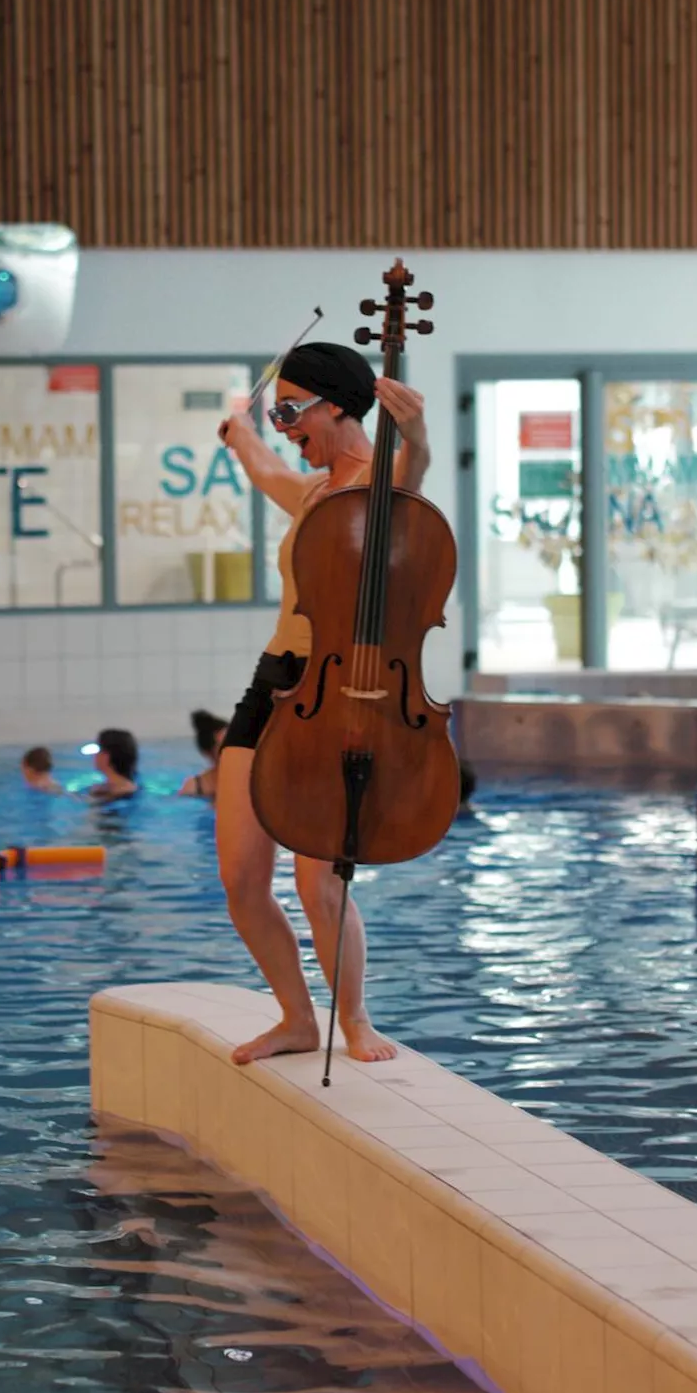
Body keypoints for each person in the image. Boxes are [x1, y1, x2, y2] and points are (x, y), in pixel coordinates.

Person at [216, 344, 430, 1067]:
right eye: (276, 412)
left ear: (337, 404)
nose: (284, 427)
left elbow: (409, 480)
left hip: (342, 695)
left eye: (291, 411)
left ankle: (355, 1019)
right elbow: (270, 471)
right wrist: (240, 431)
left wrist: (420, 441)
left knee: (318, 884)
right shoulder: (314, 489)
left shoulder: (382, 484)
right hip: (275, 682)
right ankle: (296, 1018)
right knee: (242, 879)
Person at [179, 710, 228, 800]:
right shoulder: (193, 787)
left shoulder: (252, 780)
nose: (232, 750)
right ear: (208, 752)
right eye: (225, 746)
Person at [88, 729, 139, 801]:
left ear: (106, 756)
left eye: (98, 750)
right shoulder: (131, 787)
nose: (95, 755)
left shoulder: (115, 793)